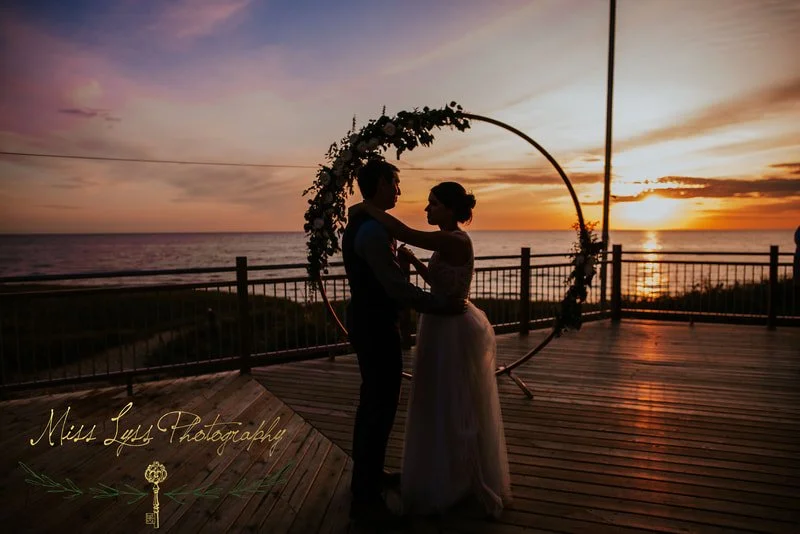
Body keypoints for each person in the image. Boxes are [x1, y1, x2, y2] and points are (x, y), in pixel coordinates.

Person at [349, 181, 512, 519]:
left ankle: (456, 476)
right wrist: (418, 266)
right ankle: (441, 469)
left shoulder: (451, 239)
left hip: (452, 326)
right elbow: (442, 281)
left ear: (451, 209)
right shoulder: (447, 240)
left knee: (452, 400)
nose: (427, 210)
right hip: (439, 321)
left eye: (433, 204)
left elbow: (404, 231)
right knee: (437, 396)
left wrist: (367, 208)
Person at [342, 160, 466, 529]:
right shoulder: (373, 232)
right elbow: (394, 289)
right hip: (375, 325)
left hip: (371, 321)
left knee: (374, 404)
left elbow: (391, 278)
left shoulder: (368, 226)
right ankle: (364, 500)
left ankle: (370, 476)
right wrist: (439, 305)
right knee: (379, 407)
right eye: (396, 184)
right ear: (381, 183)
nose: (399, 191)